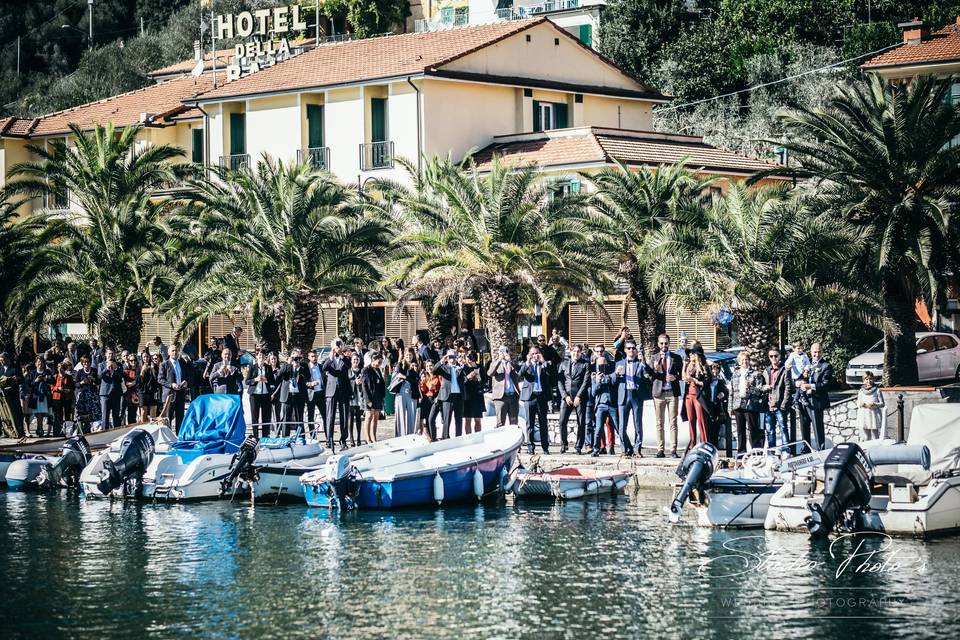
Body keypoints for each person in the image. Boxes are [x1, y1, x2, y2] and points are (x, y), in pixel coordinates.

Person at [647, 334, 683, 458]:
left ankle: (673, 450)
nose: (664, 346)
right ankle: (660, 449)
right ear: (658, 344)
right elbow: (650, 377)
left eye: (666, 343)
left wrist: (675, 377)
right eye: (662, 343)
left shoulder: (676, 358)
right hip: (659, 394)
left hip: (672, 393)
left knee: (673, 422)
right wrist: (656, 369)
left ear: (669, 343)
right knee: (659, 422)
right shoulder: (654, 358)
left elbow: (681, 375)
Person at [613, 339, 646, 458]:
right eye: (629, 348)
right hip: (624, 395)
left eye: (633, 348)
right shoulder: (619, 363)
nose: (631, 350)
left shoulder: (640, 363)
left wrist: (644, 363)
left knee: (638, 423)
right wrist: (616, 374)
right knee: (622, 425)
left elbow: (647, 375)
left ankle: (637, 449)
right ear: (625, 350)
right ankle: (624, 449)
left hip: (636, 395)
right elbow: (612, 380)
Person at [797, 342, 833, 451]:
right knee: (804, 426)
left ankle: (820, 449)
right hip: (803, 399)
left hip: (816, 400)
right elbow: (796, 377)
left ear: (822, 352)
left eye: (819, 352)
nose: (816, 354)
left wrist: (810, 386)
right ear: (811, 352)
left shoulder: (826, 366)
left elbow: (826, 384)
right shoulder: (805, 363)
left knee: (817, 426)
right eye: (814, 352)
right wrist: (798, 383)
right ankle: (806, 448)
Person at [557, 343, 590, 454]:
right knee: (562, 421)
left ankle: (578, 446)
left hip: (579, 398)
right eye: (574, 351)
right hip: (566, 397)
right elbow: (560, 381)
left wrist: (579, 396)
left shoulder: (585, 364)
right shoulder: (563, 364)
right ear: (570, 352)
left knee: (581, 422)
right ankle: (564, 444)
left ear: (581, 353)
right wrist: (565, 396)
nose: (576, 353)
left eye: (578, 351)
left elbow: (586, 382)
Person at [729, 351, 763, 452]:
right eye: (742, 360)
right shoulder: (735, 374)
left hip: (750, 405)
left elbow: (759, 391)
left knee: (753, 429)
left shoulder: (756, 374)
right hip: (738, 404)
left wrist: (751, 388)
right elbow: (731, 391)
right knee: (740, 430)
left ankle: (755, 450)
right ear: (739, 362)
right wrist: (730, 408)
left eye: (746, 359)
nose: (745, 362)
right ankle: (741, 451)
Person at [761, 348, 794, 451]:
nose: (774, 358)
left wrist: (783, 405)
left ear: (780, 356)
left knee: (783, 429)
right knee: (770, 431)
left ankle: (786, 451)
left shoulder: (785, 370)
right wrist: (764, 388)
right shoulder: (766, 371)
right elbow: (761, 386)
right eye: (771, 356)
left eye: (776, 356)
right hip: (768, 406)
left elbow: (788, 388)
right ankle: (771, 451)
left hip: (780, 406)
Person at [520, 346, 550, 455]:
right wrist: (527, 362)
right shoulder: (527, 365)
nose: (534, 355)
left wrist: (543, 362)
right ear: (529, 354)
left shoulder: (543, 365)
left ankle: (545, 447)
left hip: (541, 396)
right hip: (529, 397)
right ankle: (530, 447)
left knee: (543, 423)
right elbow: (520, 374)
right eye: (532, 353)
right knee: (530, 423)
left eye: (536, 353)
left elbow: (550, 374)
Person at [323, 340, 351, 449]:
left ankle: (343, 440)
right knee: (330, 416)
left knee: (344, 416)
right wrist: (331, 356)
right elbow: (324, 368)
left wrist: (341, 355)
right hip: (331, 391)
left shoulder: (345, 359)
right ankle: (329, 439)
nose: (338, 347)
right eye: (336, 346)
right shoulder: (329, 359)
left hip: (343, 390)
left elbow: (349, 366)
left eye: (340, 346)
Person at [158, 345, 191, 434]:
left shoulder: (182, 363)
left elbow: (188, 376)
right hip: (169, 395)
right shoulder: (164, 364)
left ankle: (179, 437)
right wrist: (171, 385)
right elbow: (160, 379)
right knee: (168, 418)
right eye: (172, 351)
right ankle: (168, 438)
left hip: (181, 394)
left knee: (180, 418)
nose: (174, 352)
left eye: (176, 350)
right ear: (168, 353)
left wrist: (186, 382)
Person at [681, 350, 710, 449]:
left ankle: (704, 442)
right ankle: (692, 443)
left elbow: (706, 383)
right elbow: (683, 377)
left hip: (698, 395)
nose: (690, 355)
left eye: (692, 353)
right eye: (690, 354)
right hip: (688, 395)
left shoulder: (703, 366)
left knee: (701, 420)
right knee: (691, 420)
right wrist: (684, 366)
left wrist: (694, 380)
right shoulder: (689, 365)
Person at [436, 350, 466, 439]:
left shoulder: (459, 367)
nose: (451, 359)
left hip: (458, 396)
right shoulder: (444, 367)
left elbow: (467, 375)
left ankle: (458, 438)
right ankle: (445, 438)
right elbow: (434, 370)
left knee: (459, 419)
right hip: (448, 397)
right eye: (450, 357)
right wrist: (442, 361)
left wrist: (463, 365)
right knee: (447, 419)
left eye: (453, 357)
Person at [245, 350, 275, 439]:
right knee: (255, 417)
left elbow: (273, 382)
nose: (261, 358)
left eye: (263, 356)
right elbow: (247, 381)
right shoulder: (252, 367)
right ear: (257, 357)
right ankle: (255, 436)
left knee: (266, 416)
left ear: (265, 358)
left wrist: (267, 381)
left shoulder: (268, 367)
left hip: (265, 395)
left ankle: (266, 436)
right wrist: (255, 379)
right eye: (259, 356)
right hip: (255, 395)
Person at [278, 350, 308, 437]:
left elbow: (307, 377)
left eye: (298, 358)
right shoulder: (286, 366)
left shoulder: (303, 367)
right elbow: (279, 374)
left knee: (299, 418)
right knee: (286, 418)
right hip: (288, 395)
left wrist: (298, 368)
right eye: (294, 358)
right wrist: (289, 363)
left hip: (299, 395)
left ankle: (301, 437)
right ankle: (285, 438)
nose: (296, 360)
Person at [488, 346, 520, 426]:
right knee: (500, 423)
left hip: (513, 396)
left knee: (514, 423)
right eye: (501, 351)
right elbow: (490, 373)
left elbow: (519, 371)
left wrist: (510, 361)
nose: (503, 353)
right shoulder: (494, 363)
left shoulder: (512, 363)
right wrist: (499, 360)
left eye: (505, 351)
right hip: (500, 397)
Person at [590, 366, 618, 457]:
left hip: (612, 404)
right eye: (600, 365)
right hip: (601, 405)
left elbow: (615, 384)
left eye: (604, 365)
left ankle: (623, 448)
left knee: (618, 427)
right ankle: (596, 449)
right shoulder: (595, 376)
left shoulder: (612, 374)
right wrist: (598, 382)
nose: (602, 368)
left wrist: (609, 378)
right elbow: (593, 393)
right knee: (598, 428)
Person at [393, 348, 421, 437]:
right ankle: (400, 436)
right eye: (407, 355)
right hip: (400, 391)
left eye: (410, 355)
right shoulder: (400, 365)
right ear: (404, 356)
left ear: (413, 356)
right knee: (400, 414)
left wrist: (405, 377)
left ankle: (411, 435)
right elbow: (396, 375)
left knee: (412, 414)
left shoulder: (416, 365)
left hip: (412, 392)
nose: (408, 357)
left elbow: (416, 380)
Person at [98, 350, 124, 431]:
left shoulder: (119, 365)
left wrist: (116, 368)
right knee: (105, 415)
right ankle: (104, 433)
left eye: (112, 354)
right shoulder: (101, 364)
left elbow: (121, 378)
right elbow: (99, 376)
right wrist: (106, 368)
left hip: (116, 393)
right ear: (106, 355)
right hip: (105, 393)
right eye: (109, 354)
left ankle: (116, 433)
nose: (111, 355)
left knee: (116, 415)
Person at [362, 353, 386, 443]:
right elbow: (365, 386)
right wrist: (368, 400)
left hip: (378, 397)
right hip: (370, 398)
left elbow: (381, 384)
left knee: (376, 418)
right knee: (369, 417)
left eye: (381, 361)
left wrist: (382, 396)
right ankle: (368, 439)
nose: (380, 363)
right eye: (379, 361)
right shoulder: (366, 370)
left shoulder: (378, 370)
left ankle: (373, 437)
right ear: (373, 359)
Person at [0, 352, 25, 438]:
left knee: (17, 413)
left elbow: (21, 379)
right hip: (3, 397)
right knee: (4, 415)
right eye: (0, 360)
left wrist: (15, 379)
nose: (2, 362)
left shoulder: (15, 368)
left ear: (8, 359)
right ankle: (6, 431)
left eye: (3, 360)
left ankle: (20, 431)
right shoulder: (0, 369)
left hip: (13, 395)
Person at [706, 362, 729, 447]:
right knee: (708, 426)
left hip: (716, 405)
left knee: (716, 426)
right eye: (713, 371)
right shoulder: (707, 381)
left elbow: (726, 391)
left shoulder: (720, 381)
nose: (714, 373)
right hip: (708, 406)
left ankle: (715, 444)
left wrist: (722, 394)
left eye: (716, 372)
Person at [74, 355, 100, 429]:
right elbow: (76, 384)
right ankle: (85, 428)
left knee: (94, 414)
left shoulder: (94, 370)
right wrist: (82, 382)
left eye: (88, 362)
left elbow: (99, 382)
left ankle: (94, 428)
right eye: (84, 362)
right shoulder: (80, 372)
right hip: (83, 396)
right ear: (82, 363)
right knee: (83, 414)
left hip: (93, 395)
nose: (86, 363)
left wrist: (94, 379)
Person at [857, 371, 884, 441]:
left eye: (870, 379)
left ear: (873, 379)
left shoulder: (877, 390)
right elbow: (858, 404)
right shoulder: (861, 391)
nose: (868, 381)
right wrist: (863, 405)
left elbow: (882, 404)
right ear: (863, 380)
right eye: (866, 379)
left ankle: (876, 449)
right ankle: (867, 449)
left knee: (875, 435)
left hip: (874, 415)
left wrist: (875, 404)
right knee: (866, 436)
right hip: (864, 415)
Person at [462, 351, 484, 434]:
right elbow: (461, 381)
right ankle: (468, 438)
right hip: (467, 395)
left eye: (471, 359)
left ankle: (478, 437)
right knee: (467, 419)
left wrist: (479, 377)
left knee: (477, 419)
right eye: (467, 359)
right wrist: (468, 377)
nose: (469, 361)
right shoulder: (463, 368)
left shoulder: (480, 367)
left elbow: (484, 380)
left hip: (477, 395)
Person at [419, 360, 441, 441]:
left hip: (435, 399)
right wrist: (422, 383)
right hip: (426, 400)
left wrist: (435, 388)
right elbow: (423, 391)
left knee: (431, 419)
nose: (429, 368)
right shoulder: (426, 377)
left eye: (431, 365)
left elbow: (441, 387)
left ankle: (434, 438)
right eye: (427, 366)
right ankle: (430, 438)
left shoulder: (438, 376)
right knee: (427, 420)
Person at [51, 361, 76, 433]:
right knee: (58, 415)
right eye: (59, 367)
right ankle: (58, 431)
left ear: (64, 369)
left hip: (66, 397)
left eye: (62, 368)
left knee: (67, 414)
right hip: (57, 398)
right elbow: (51, 387)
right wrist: (57, 388)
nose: (60, 369)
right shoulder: (55, 376)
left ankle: (68, 431)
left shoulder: (69, 377)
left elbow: (73, 387)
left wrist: (69, 390)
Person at [347, 354, 364, 446]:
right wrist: (354, 381)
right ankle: (351, 438)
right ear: (351, 360)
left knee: (358, 418)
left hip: (359, 397)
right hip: (351, 396)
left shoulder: (361, 371)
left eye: (357, 360)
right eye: (354, 360)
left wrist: (361, 382)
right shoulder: (348, 371)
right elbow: (346, 382)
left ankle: (358, 438)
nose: (355, 361)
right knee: (350, 418)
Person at [139, 353, 161, 421]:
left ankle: (152, 430)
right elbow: (138, 381)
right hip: (143, 392)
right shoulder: (139, 367)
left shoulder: (153, 366)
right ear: (142, 358)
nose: (146, 358)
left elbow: (157, 379)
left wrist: (153, 369)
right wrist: (142, 371)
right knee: (143, 413)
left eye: (147, 357)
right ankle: (143, 429)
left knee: (153, 414)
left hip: (152, 392)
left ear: (149, 357)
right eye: (144, 357)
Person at [121, 353, 141, 424]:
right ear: (128, 361)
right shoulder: (125, 370)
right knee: (121, 414)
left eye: (135, 360)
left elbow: (140, 379)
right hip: (125, 394)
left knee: (132, 416)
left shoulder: (139, 369)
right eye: (131, 360)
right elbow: (123, 381)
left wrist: (134, 382)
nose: (133, 362)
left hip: (135, 395)